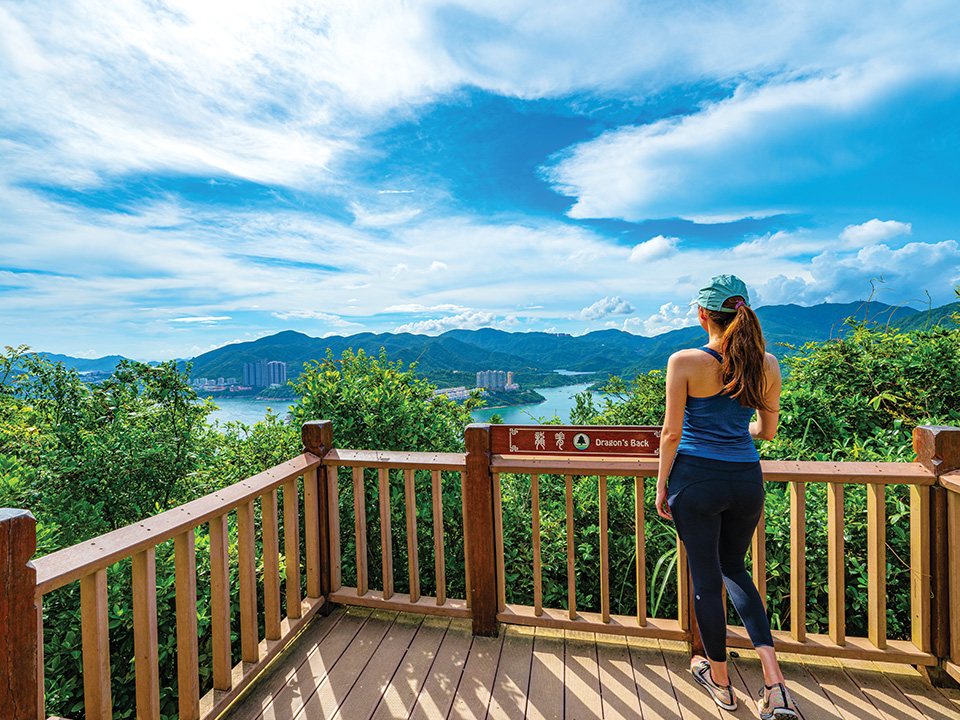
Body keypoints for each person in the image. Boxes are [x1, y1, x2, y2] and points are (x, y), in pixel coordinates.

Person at [655, 274, 799, 719]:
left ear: (702, 314)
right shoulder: (768, 365)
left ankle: (720, 682)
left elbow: (671, 433)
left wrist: (662, 484)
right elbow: (766, 431)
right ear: (743, 312)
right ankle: (774, 683)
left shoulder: (685, 361)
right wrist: (741, 432)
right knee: (736, 569)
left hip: (696, 481)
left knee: (705, 581)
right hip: (746, 481)